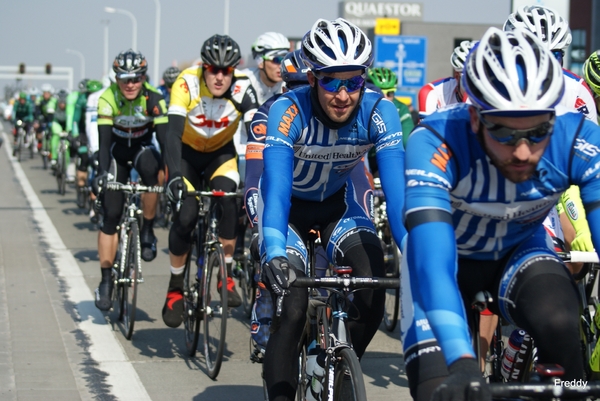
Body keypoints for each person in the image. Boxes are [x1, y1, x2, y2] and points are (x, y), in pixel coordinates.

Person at [401, 26, 600, 401]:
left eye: (538, 131)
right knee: (439, 389)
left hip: (519, 251)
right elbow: (433, 264)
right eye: (506, 134)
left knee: (561, 322)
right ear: (475, 118)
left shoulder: (578, 138)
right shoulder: (435, 139)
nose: (523, 151)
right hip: (447, 262)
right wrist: (462, 363)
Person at [258, 18, 406, 400]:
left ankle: (332, 366)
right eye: (331, 81)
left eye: (353, 81)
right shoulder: (288, 111)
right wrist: (273, 249)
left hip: (338, 209)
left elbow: (398, 193)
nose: (343, 94)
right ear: (312, 79)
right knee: (292, 310)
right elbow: (275, 189)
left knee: (373, 296)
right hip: (288, 212)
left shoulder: (379, 111)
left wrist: (414, 251)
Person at [245, 49, 375, 363]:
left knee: (360, 269)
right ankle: (267, 320)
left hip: (333, 203)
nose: (296, 92)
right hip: (286, 206)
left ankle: (332, 363)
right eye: (290, 84)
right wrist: (262, 234)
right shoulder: (271, 113)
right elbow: (255, 179)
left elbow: (361, 178)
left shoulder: (355, 110)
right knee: (289, 296)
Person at [161, 34, 259, 327]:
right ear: (203, 67)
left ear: (234, 70)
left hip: (220, 155)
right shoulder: (186, 82)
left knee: (229, 203)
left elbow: (257, 130)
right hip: (187, 157)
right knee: (186, 215)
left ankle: (225, 276)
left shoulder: (243, 86)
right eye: (212, 69)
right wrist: (174, 175)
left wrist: (255, 177)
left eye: (225, 71)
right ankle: (175, 288)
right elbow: (173, 134)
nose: (219, 77)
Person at [92, 49, 168, 311]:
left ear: (143, 77)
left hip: (141, 150)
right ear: (116, 79)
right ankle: (105, 281)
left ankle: (147, 228)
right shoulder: (107, 98)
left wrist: (173, 175)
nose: (130, 84)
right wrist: (101, 173)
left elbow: (165, 141)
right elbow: (103, 145)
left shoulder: (154, 99)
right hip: (115, 153)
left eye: (135, 78)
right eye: (124, 79)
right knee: (111, 215)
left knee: (152, 166)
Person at [504, 4, 598, 123]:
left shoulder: (575, 92)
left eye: (553, 57)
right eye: (530, 56)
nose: (541, 68)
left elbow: (590, 138)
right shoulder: (493, 83)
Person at [418, 40, 477, 120]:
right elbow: (427, 130)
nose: (475, 85)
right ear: (457, 76)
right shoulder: (434, 92)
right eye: (468, 78)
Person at [367, 67, 414, 147]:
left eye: (390, 93)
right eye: (378, 92)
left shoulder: (401, 108)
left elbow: (407, 141)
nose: (384, 97)